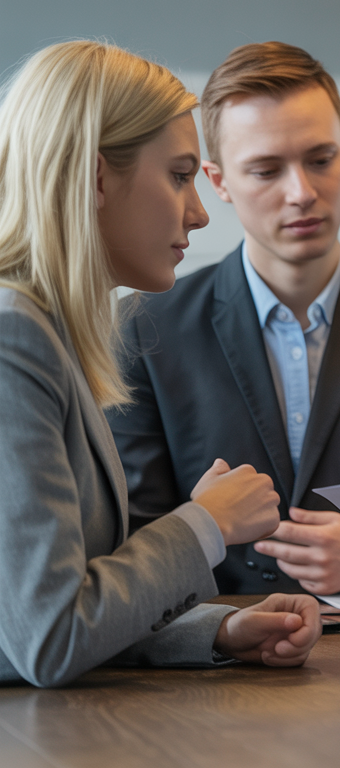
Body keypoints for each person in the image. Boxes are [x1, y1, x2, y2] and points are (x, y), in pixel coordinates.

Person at [0, 40, 321, 687]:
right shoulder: (14, 338)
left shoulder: (48, 332)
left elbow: (38, 618)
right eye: (179, 176)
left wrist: (214, 631)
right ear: (94, 177)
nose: (201, 213)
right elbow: (49, 638)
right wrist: (208, 523)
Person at [109, 42, 340, 596]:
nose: (302, 193)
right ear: (219, 182)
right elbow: (133, 536)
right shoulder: (145, 326)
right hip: (211, 646)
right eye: (265, 170)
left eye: (321, 159)